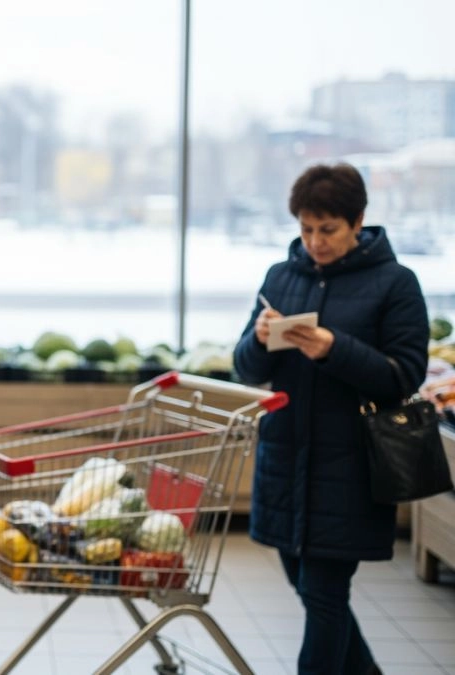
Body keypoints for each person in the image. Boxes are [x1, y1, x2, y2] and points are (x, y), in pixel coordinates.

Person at [233, 163, 429, 675]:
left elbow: (404, 375)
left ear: (358, 221)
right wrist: (257, 341)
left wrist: (333, 349)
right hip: (285, 459)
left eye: (328, 230)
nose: (315, 242)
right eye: (305, 228)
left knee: (323, 595)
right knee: (311, 590)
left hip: (351, 467)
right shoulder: (281, 277)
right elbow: (247, 370)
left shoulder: (396, 284)